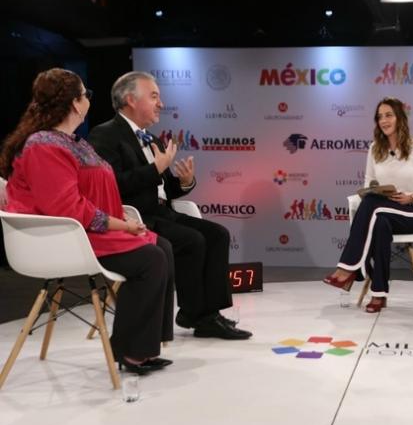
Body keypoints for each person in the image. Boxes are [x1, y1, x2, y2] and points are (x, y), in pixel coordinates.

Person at [0, 68, 174, 375]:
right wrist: (122, 225)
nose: (88, 101)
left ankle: (145, 347)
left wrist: (121, 217)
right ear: (74, 103)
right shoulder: (44, 145)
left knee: (161, 247)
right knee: (150, 258)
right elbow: (67, 208)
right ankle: (131, 352)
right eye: (85, 95)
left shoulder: (73, 141)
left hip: (83, 230)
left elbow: (89, 193)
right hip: (61, 238)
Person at [87, 71, 251, 340]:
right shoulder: (104, 135)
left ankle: (210, 313)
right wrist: (155, 169)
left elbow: (162, 188)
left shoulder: (152, 139)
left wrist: (184, 182)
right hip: (134, 218)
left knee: (218, 234)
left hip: (162, 212)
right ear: (130, 99)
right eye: (154, 96)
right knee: (192, 240)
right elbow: (112, 185)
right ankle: (196, 314)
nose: (161, 104)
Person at [323, 97, 413, 313]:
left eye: (388, 115)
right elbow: (369, 183)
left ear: (399, 118)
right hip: (383, 211)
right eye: (379, 117)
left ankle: (348, 269)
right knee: (379, 221)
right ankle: (379, 293)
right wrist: (374, 190)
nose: (383, 120)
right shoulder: (375, 148)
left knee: (372, 207)